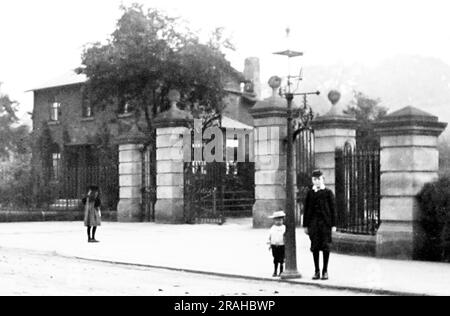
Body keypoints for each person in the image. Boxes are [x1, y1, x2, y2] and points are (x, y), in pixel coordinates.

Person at [303, 170, 337, 280]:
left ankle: (325, 270)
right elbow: (306, 209)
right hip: (313, 224)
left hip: (325, 223)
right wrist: (305, 225)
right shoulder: (310, 193)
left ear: (323, 180)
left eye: (319, 179)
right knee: (315, 247)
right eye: (314, 179)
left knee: (326, 246)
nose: (317, 181)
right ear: (312, 180)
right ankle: (316, 271)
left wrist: (333, 225)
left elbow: (333, 209)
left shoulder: (328, 192)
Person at [267, 210, 286, 277]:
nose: (278, 221)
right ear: (274, 220)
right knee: (275, 258)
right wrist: (269, 244)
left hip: (282, 245)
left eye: (280, 220)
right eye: (277, 220)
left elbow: (285, 236)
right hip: (274, 245)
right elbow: (270, 236)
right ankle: (275, 271)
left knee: (281, 259)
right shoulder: (272, 228)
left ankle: (281, 271)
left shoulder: (284, 228)